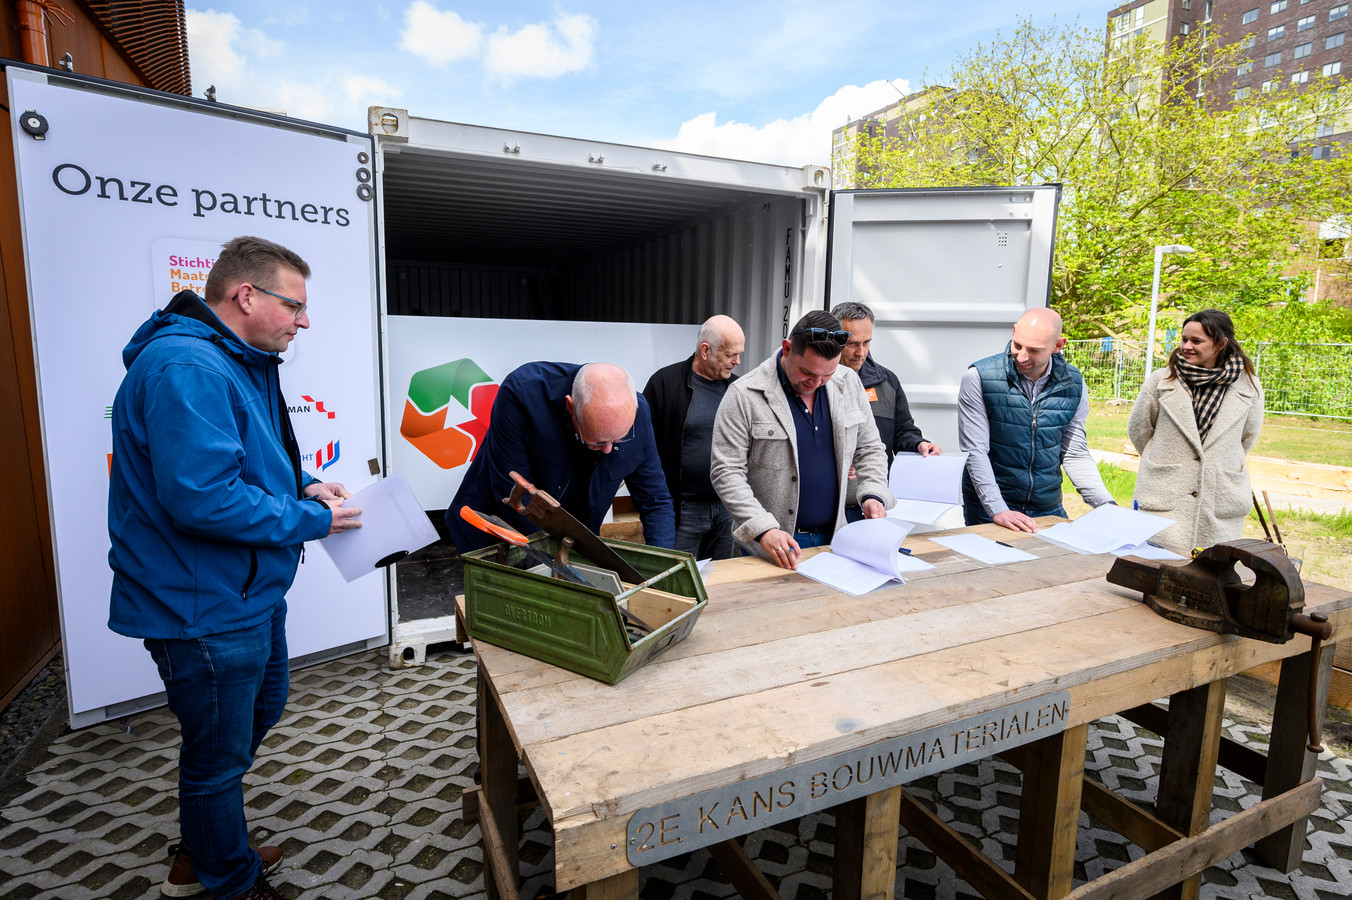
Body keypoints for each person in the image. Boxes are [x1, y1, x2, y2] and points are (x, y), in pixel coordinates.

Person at [108, 236, 362, 900]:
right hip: (201, 606)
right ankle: (226, 878)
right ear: (245, 296)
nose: (303, 321)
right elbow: (202, 497)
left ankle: (209, 845)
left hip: (241, 595)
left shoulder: (236, 360)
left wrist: (303, 487)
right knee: (218, 756)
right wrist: (314, 521)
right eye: (294, 305)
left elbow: (243, 463)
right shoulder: (189, 368)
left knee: (254, 716)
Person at [711, 310, 894, 568]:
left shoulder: (849, 382)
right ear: (787, 349)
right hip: (769, 550)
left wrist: (873, 493)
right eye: (808, 373)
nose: (817, 383)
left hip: (836, 541)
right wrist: (764, 530)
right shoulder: (744, 395)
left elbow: (871, 448)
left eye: (827, 374)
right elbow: (726, 472)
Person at [444, 361, 675, 553]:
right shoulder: (522, 394)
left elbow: (655, 500)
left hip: (568, 540)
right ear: (571, 407)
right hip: (496, 531)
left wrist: (662, 561)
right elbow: (513, 494)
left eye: (617, 440)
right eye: (597, 440)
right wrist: (561, 559)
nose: (607, 449)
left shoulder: (638, 414)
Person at [959, 307, 1114, 532]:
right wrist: (998, 510)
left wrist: (1106, 506)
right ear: (1014, 332)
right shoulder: (979, 378)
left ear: (1058, 345)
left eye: (1034, 350)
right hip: (991, 506)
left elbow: (1074, 452)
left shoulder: (1074, 383)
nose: (1022, 356)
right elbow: (975, 451)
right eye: (1017, 345)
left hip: (1047, 506)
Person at [1128, 309, 1264, 553]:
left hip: (1218, 501)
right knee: (1156, 571)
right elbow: (1140, 430)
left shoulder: (1249, 386)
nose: (1186, 346)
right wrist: (1162, 458)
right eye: (1184, 339)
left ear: (1221, 344)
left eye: (1196, 341)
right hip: (1166, 500)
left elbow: (1247, 438)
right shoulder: (1161, 381)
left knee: (1211, 577)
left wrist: (1214, 461)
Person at [642, 316, 745, 559]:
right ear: (706, 350)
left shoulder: (739, 390)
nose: (737, 361)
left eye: (739, 354)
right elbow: (643, 448)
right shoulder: (664, 384)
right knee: (675, 579)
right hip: (681, 510)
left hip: (726, 508)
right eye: (731, 354)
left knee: (722, 579)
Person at [831, 301, 941, 522]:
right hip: (830, 507)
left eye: (866, 342)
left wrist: (919, 444)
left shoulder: (886, 382)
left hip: (874, 506)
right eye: (852, 344)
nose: (860, 352)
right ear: (834, 338)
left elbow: (903, 431)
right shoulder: (815, 382)